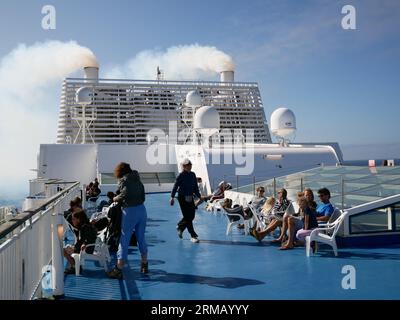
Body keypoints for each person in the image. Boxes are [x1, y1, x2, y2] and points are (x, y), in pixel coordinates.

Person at [108, 162, 148, 279]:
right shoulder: (138, 180)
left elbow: (123, 195)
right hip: (142, 210)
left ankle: (119, 268)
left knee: (124, 239)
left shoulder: (124, 181)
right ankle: (144, 263)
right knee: (141, 238)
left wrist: (115, 198)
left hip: (130, 212)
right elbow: (143, 197)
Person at [170, 158, 202, 243]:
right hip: (182, 198)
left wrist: (199, 196)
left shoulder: (192, 174)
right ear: (184, 166)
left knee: (191, 216)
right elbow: (175, 186)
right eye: (188, 165)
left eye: (190, 165)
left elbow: (195, 187)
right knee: (188, 217)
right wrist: (172, 197)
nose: (190, 166)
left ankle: (180, 226)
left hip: (190, 197)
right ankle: (193, 236)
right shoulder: (181, 175)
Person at [63, 209, 98, 274]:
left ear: (78, 219)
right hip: (84, 248)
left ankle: (75, 267)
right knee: (68, 248)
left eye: (73, 219)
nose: (72, 221)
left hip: (86, 249)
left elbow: (89, 238)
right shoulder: (84, 226)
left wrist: (84, 244)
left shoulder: (84, 227)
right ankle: (76, 266)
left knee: (64, 251)